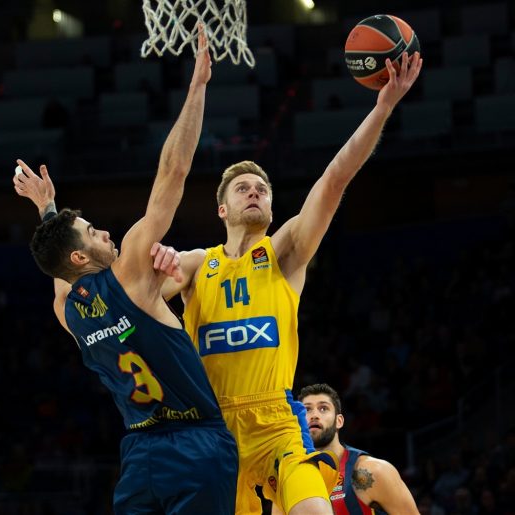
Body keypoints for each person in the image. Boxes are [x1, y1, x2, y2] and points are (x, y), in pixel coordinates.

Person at [150, 51, 424, 514]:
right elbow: (140, 308)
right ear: (222, 210)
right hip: (214, 429)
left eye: (263, 188)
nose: (254, 191)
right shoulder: (197, 264)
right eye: (243, 188)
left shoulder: (284, 252)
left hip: (278, 422)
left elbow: (334, 179)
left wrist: (383, 108)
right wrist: (156, 268)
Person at [13, 27, 239, 515]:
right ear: (80, 256)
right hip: (196, 443)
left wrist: (49, 208)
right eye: (94, 232)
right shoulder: (129, 275)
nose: (106, 234)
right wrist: (197, 86)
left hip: (139, 452)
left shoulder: (68, 311)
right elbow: (172, 175)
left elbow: (57, 266)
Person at [299, 383, 420, 514]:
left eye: (323, 408)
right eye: (307, 410)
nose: (314, 415)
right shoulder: (291, 481)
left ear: (339, 421)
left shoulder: (373, 471)